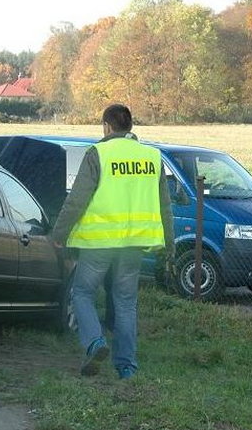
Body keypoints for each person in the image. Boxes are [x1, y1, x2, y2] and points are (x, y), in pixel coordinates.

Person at [52, 104, 174, 379]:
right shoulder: (153, 157)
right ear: (130, 126)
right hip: (133, 245)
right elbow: (165, 207)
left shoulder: (98, 153)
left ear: (107, 126)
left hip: (99, 243)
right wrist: (170, 244)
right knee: (126, 303)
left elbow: (77, 200)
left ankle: (95, 342)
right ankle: (126, 367)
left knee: (82, 293)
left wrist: (59, 234)